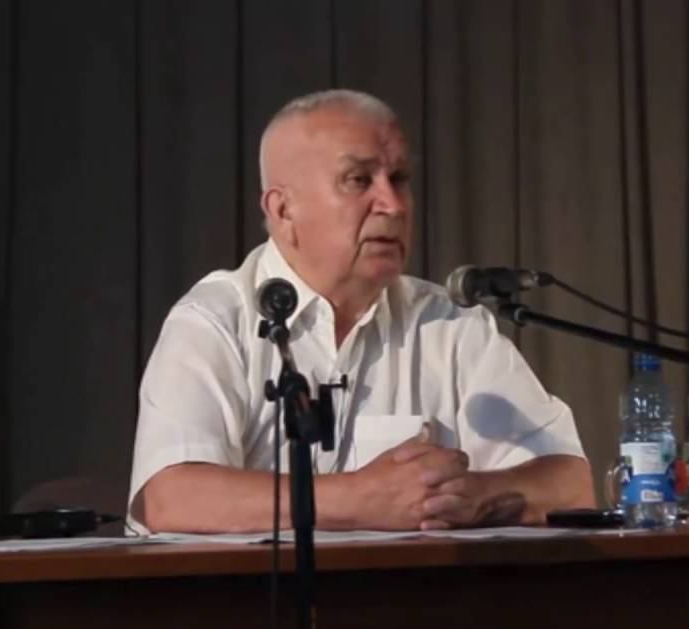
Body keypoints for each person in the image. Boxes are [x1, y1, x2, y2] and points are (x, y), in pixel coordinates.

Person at [127, 89, 594, 534]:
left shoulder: (449, 323)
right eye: (359, 180)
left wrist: (476, 497)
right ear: (284, 210)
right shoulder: (215, 320)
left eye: (400, 179)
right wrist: (360, 499)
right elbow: (169, 498)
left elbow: (571, 483)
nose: (393, 205)